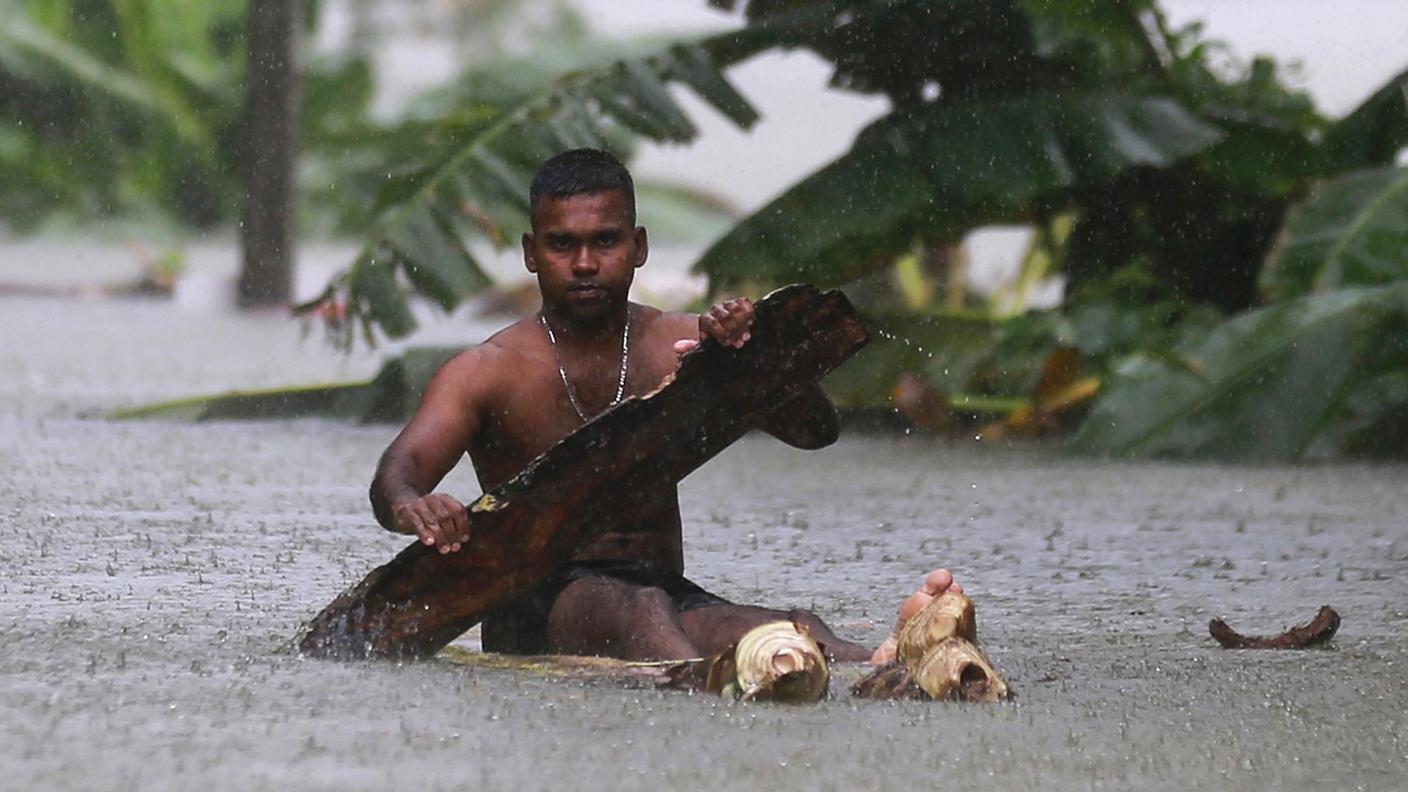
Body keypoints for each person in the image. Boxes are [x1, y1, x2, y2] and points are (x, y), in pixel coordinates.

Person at [369, 148, 959, 663]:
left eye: (605, 241)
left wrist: (749, 364)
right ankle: (699, 681)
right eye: (562, 244)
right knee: (641, 611)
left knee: (790, 635)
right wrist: (415, 508)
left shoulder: (684, 341)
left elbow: (816, 432)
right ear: (530, 252)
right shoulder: (483, 372)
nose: (583, 264)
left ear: (638, 246)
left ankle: (891, 661)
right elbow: (399, 475)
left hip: (662, 593)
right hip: (537, 605)